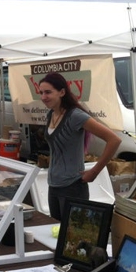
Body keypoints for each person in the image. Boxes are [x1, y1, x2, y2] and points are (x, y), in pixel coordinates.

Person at [39, 72, 121, 221]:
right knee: (56, 232)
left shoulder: (75, 116)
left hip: (73, 187)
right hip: (53, 185)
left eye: (48, 92)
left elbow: (114, 140)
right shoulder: (51, 114)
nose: (43, 97)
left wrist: (95, 172)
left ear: (62, 92)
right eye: (41, 93)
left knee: (73, 237)